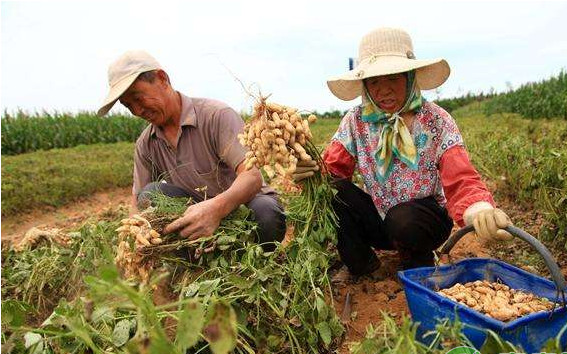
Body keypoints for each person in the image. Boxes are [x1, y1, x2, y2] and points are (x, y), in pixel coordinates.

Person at [294, 27, 512, 276]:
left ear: (410, 77)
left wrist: (479, 210)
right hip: (380, 219)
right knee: (334, 191)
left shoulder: (436, 120)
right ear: (364, 85)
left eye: (393, 78)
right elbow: (333, 170)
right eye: (374, 81)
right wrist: (310, 174)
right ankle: (363, 265)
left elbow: (461, 176)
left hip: (423, 221)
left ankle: (417, 264)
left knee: (404, 218)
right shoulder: (356, 121)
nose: (383, 90)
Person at [98, 50, 286, 246]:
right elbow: (137, 203)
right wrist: (131, 239)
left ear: (162, 79)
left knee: (266, 213)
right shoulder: (146, 144)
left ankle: (258, 266)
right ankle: (194, 256)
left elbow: (251, 177)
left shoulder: (216, 116)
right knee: (150, 195)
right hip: (194, 215)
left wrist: (215, 209)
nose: (137, 111)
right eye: (128, 106)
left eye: (138, 99)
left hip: (242, 205)